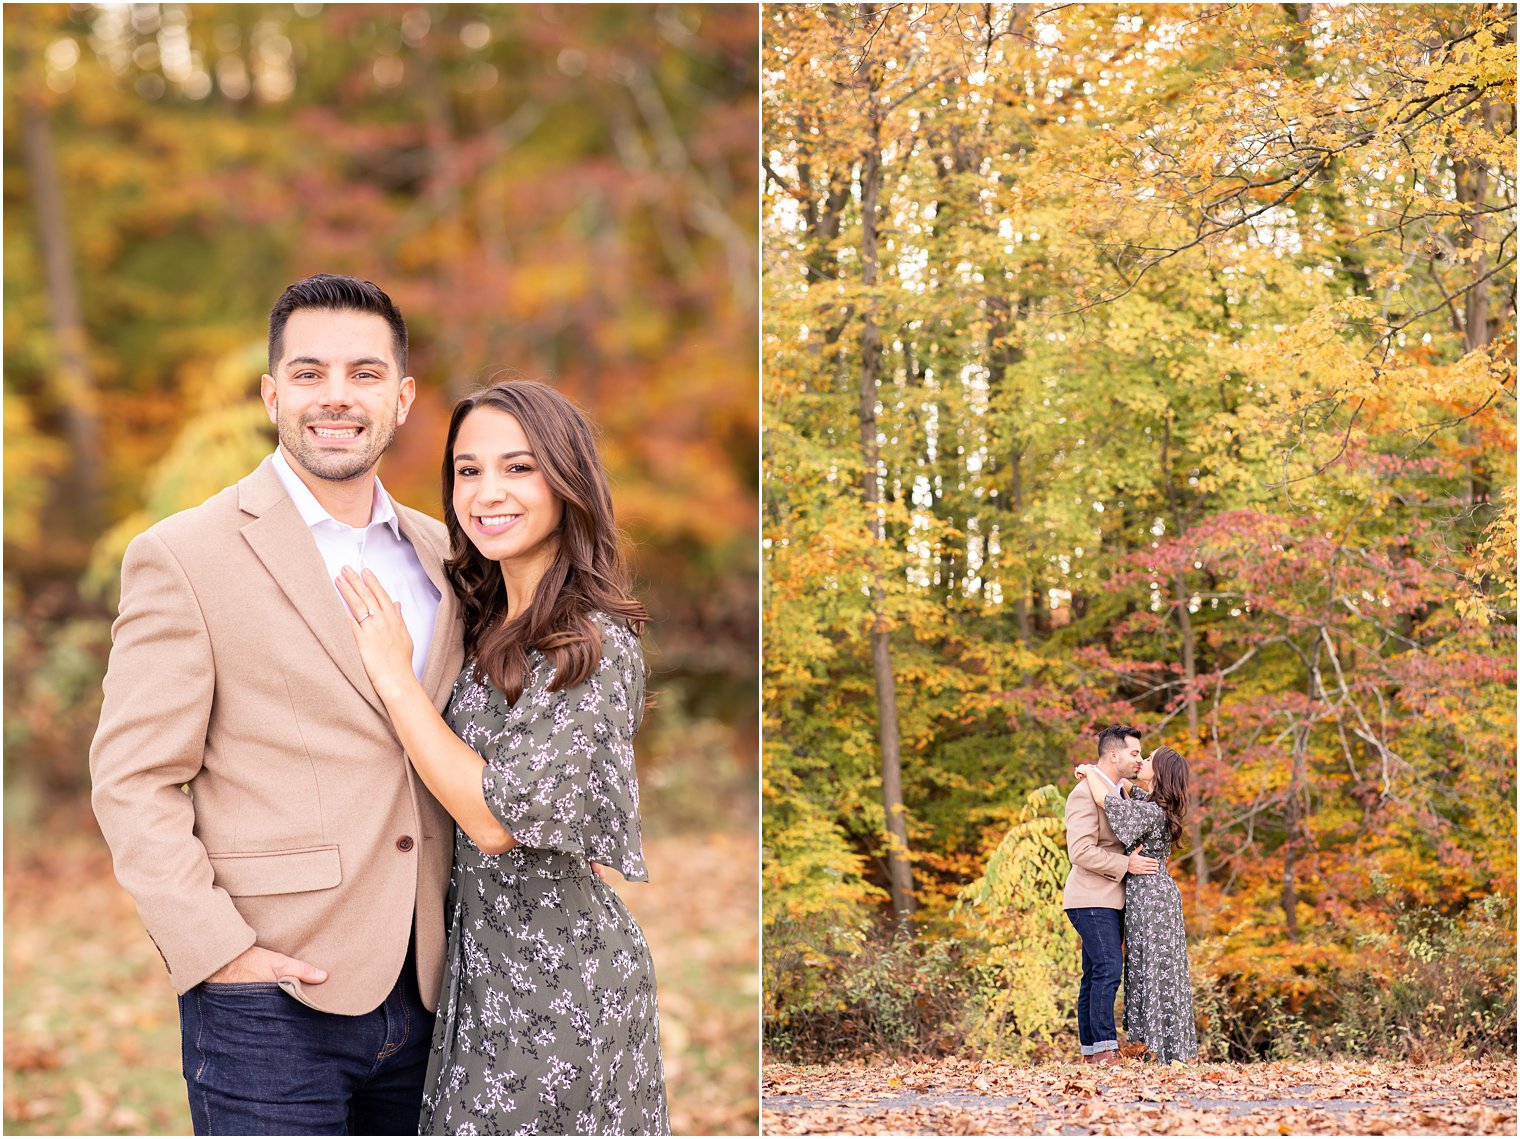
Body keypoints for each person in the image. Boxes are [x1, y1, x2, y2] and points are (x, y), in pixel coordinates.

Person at [90, 274, 461, 1135]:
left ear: (402, 398)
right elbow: (133, 779)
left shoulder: (447, 556)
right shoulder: (183, 555)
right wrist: (217, 951)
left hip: (440, 987)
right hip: (269, 1000)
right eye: (309, 373)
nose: (337, 396)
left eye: (365, 374)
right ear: (271, 392)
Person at [333, 379, 669, 1134]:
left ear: (567, 479)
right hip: (477, 974)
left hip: (561, 989)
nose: (487, 492)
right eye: (467, 469)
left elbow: (493, 820)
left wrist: (393, 674)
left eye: (519, 468)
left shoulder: (589, 642)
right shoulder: (485, 622)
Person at [1075, 746, 1199, 1063]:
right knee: (1148, 968)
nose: (1140, 763)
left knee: (1154, 969)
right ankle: (1152, 1047)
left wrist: (1089, 770)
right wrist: (1108, 770)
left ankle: (1159, 1048)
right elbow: (1124, 787)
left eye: (1147, 760)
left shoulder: (1151, 811)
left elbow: (1108, 802)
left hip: (1151, 896)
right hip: (1153, 893)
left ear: (1158, 773)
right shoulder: (1153, 802)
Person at [1062, 724, 1158, 1066]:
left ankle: (1093, 1052)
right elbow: (1080, 851)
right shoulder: (1083, 794)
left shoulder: (1120, 792)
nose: (1139, 759)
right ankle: (1105, 1049)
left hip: (1112, 898)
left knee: (1094, 973)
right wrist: (1125, 864)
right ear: (1113, 754)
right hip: (1090, 897)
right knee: (1106, 969)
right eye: (1134, 753)